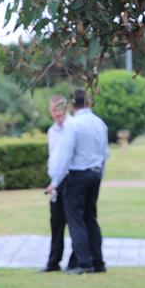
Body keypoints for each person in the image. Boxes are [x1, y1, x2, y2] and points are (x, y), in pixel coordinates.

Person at [47, 89, 109, 275]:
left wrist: (55, 181)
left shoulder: (73, 125)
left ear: (71, 105)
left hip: (78, 175)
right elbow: (105, 152)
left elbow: (65, 155)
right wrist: (100, 173)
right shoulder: (100, 123)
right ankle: (98, 261)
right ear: (88, 102)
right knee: (91, 218)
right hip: (95, 173)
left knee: (76, 220)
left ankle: (83, 262)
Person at [41, 94, 73, 272]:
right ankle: (54, 261)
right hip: (55, 181)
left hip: (70, 179)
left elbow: (68, 158)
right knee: (56, 222)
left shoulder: (73, 127)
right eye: (53, 111)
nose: (56, 114)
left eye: (59, 110)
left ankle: (75, 260)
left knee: (74, 221)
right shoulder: (52, 131)